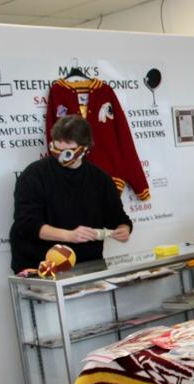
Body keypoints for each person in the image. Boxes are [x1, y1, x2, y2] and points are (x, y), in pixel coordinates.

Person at [10, 115, 132, 273]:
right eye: (57, 144)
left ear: (85, 147)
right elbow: (27, 224)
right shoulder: (34, 174)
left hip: (87, 264)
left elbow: (118, 218)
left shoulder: (100, 178)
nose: (61, 151)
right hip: (39, 264)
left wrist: (124, 229)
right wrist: (69, 236)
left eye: (67, 146)